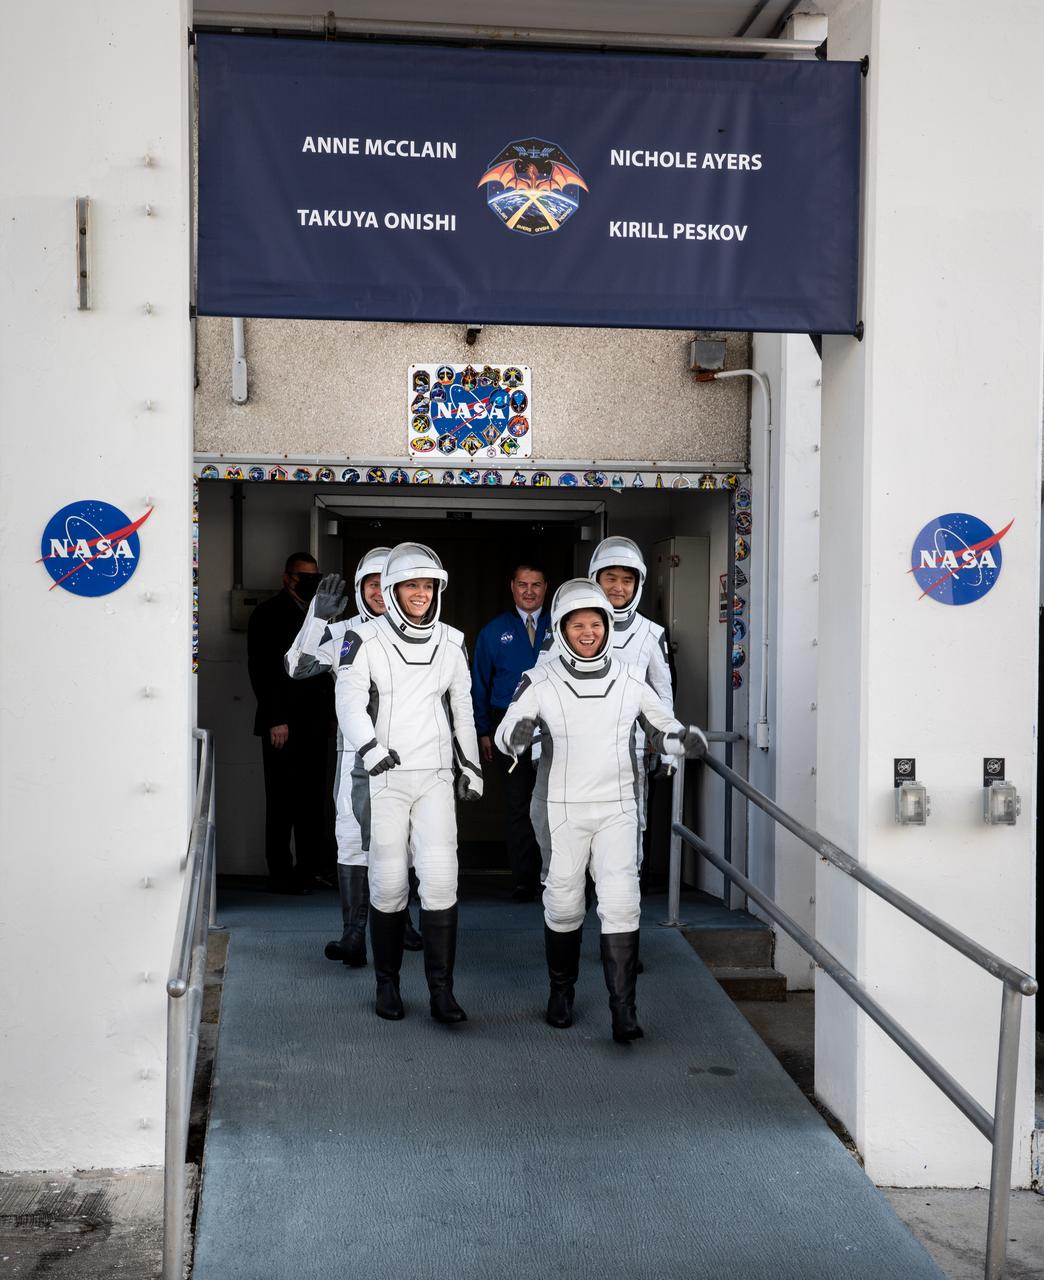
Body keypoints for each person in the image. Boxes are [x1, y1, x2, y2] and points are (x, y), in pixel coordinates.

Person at [495, 579, 706, 1043]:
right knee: (564, 903)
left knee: (621, 902)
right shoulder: (540, 680)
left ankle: (623, 1009)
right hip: (562, 810)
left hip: (616, 807)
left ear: (606, 627)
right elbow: (507, 729)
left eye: (595, 623)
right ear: (562, 630)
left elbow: (661, 726)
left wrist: (680, 740)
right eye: (577, 625)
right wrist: (517, 734)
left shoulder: (630, 680)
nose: (587, 632)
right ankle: (561, 992)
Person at [334, 542, 483, 1023]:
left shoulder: (453, 641)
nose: (419, 593)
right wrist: (370, 748)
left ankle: (442, 993)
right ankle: (388, 985)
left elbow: (462, 705)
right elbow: (349, 702)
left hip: (436, 776)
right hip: (386, 776)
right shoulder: (361, 639)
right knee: (389, 881)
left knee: (441, 882)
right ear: (391, 590)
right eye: (410, 585)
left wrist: (472, 765)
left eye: (427, 586)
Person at [283, 548, 423, 965]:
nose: (379, 591)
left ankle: (402, 921)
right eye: (371, 583)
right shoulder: (343, 630)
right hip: (354, 755)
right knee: (352, 840)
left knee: (406, 840)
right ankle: (354, 933)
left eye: (387, 582)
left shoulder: (423, 630)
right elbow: (296, 666)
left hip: (408, 753)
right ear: (361, 586)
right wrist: (317, 617)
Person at [246, 551, 333, 894]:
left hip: (315, 724)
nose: (309, 582)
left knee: (313, 802)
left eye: (315, 576)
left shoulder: (323, 616)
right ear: (287, 578)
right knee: (281, 802)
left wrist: (331, 718)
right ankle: (280, 874)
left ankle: (309, 871)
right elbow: (262, 671)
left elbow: (328, 672)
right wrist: (276, 718)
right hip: (281, 725)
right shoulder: (266, 614)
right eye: (302, 576)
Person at [471, 563, 550, 900]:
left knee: (554, 801)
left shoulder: (562, 624)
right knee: (519, 802)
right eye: (522, 584)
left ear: (546, 587)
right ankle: (524, 879)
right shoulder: (494, 631)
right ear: (512, 587)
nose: (529, 591)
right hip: (510, 722)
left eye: (536, 584)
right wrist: (483, 730)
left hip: (554, 720)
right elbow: (477, 683)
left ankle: (554, 878)